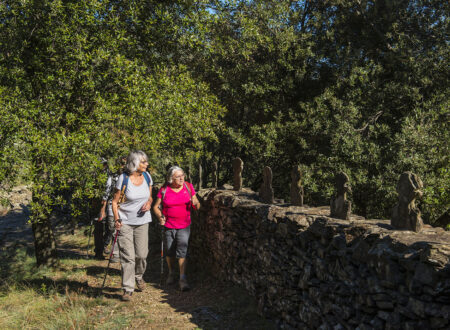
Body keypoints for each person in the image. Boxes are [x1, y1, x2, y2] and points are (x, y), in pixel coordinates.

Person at [112, 150, 153, 301]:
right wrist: (117, 219)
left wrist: (149, 204)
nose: (146, 164)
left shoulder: (148, 177)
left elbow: (150, 197)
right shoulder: (123, 179)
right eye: (143, 162)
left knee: (141, 255)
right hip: (125, 222)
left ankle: (139, 276)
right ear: (135, 163)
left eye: (146, 162)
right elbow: (115, 202)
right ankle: (128, 288)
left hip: (142, 222)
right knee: (128, 257)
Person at [153, 166, 200, 291]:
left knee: (182, 250)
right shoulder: (164, 189)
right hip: (169, 225)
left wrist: (196, 203)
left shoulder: (188, 187)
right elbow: (156, 207)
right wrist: (160, 217)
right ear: (171, 178)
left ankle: (182, 278)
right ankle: (171, 272)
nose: (181, 178)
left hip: (184, 225)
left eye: (182, 175)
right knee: (169, 250)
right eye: (178, 176)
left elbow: (197, 204)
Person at [98, 156, 126, 262]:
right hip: (111, 206)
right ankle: (112, 251)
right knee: (112, 229)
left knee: (120, 230)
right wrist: (102, 209)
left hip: (125, 207)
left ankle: (116, 253)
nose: (123, 167)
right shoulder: (113, 177)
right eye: (121, 164)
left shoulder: (130, 177)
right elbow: (106, 193)